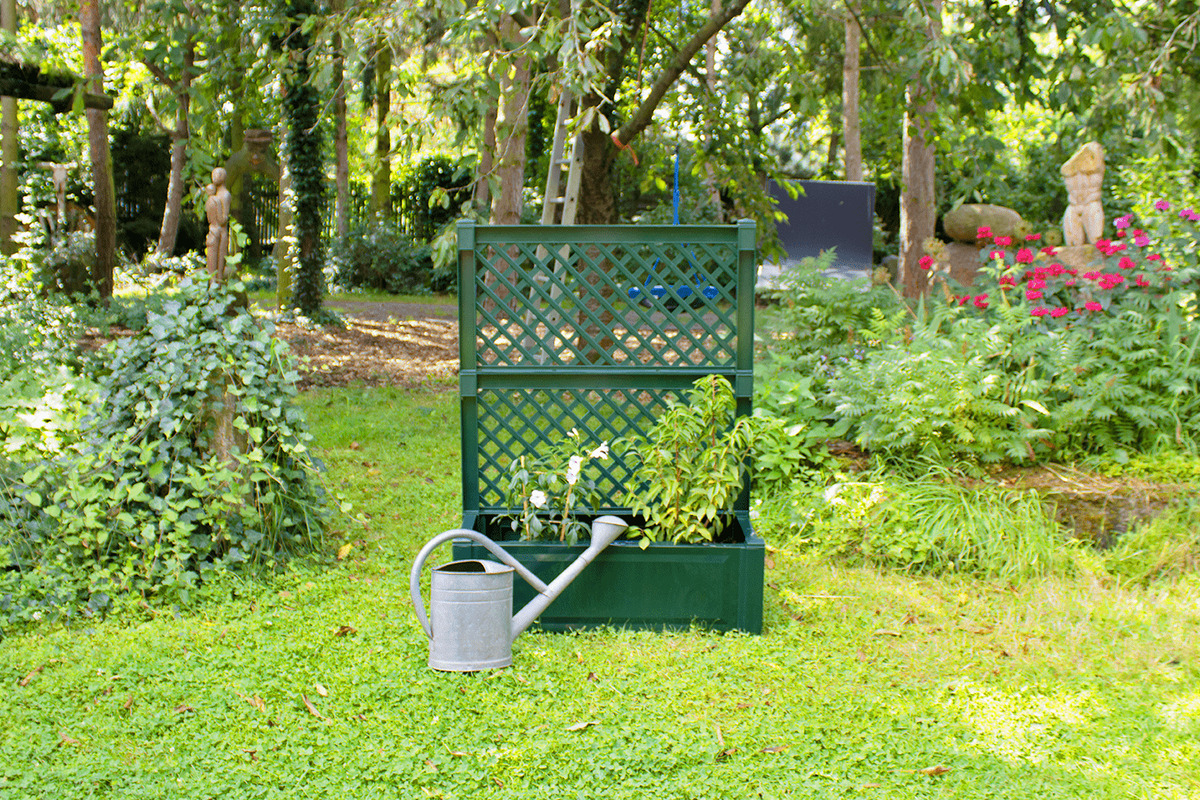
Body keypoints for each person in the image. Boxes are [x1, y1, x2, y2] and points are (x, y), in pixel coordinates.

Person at [1061, 142, 1104, 246]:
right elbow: (1064, 170)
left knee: (1096, 239)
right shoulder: (1072, 169)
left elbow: (1096, 165)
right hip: (1074, 205)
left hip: (1091, 204)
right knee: (1073, 243)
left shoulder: (1097, 169)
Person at [205, 167, 233, 281]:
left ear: (222, 177)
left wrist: (215, 206)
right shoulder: (214, 196)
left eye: (217, 175)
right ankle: (213, 283)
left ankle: (218, 284)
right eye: (213, 175)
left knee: (219, 263)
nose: (214, 177)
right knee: (212, 262)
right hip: (214, 232)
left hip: (220, 233)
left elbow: (223, 220)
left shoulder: (225, 195)